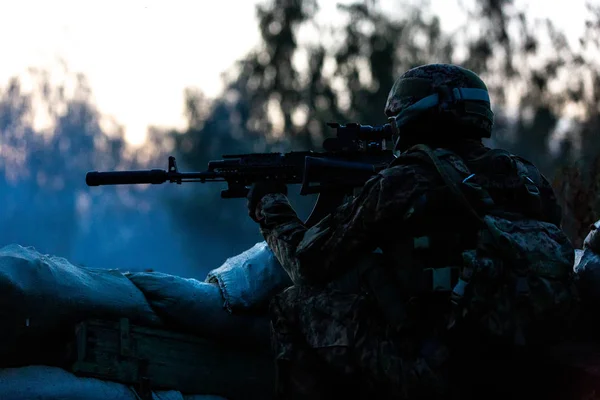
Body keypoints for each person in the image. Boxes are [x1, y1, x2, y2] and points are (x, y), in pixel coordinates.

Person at [245, 64, 577, 399]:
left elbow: (308, 266)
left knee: (291, 304)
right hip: (525, 363)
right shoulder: (529, 180)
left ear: (415, 115)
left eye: (396, 115)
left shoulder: (405, 180)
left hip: (438, 370)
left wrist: (271, 207)